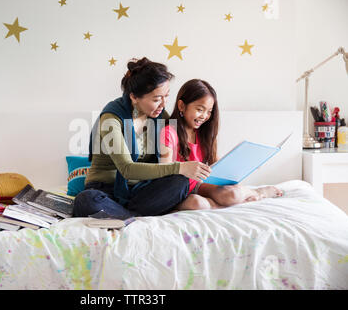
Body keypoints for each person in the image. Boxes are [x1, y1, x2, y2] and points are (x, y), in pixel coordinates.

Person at [73, 57, 211, 219]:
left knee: (179, 181)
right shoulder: (111, 118)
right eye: (157, 99)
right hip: (106, 190)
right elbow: (127, 169)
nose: (163, 104)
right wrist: (180, 167)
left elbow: (176, 141)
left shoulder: (159, 116)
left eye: (166, 96)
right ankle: (134, 216)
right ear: (134, 97)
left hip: (140, 192)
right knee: (86, 200)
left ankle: (124, 216)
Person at [159, 79, 284, 211]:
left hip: (200, 185)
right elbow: (164, 170)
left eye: (209, 111)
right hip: (180, 190)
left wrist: (243, 165)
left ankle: (257, 192)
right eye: (200, 109)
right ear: (182, 106)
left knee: (232, 194)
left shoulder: (203, 133)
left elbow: (216, 164)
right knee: (197, 204)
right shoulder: (169, 131)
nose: (204, 116)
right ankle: (231, 202)